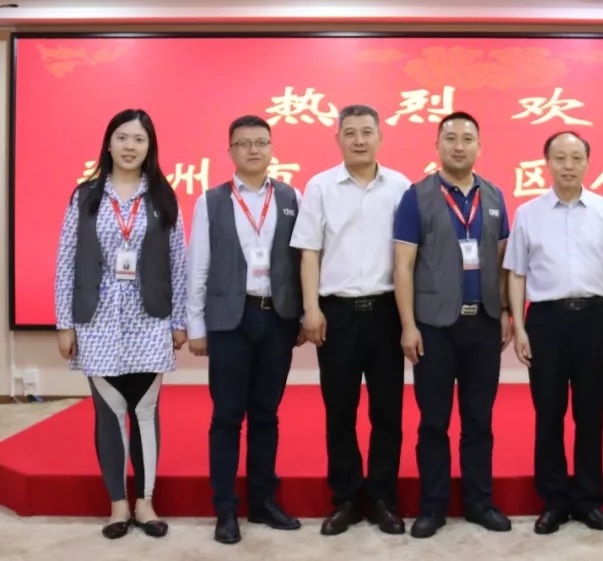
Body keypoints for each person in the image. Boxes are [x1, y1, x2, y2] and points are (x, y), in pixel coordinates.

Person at [53, 108, 188, 540]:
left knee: (145, 411)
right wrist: (64, 323)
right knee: (109, 413)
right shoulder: (86, 196)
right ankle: (117, 504)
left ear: (150, 147)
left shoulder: (163, 197)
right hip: (97, 323)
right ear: (109, 143)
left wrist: (179, 320)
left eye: (139, 139)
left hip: (149, 321)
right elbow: (66, 261)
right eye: (123, 137)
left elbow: (178, 263)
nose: (130, 146)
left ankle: (145, 502)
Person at [289, 104, 411, 535]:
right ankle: (345, 498)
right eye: (350, 133)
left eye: (367, 132)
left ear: (380, 137)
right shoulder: (320, 186)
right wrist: (311, 308)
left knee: (387, 411)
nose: (359, 140)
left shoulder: (401, 187)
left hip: (385, 313)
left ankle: (382, 498)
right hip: (336, 313)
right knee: (339, 410)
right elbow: (309, 252)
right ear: (338, 138)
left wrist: (409, 320)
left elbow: (409, 258)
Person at [393, 111, 514, 539]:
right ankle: (433, 506)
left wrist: (506, 311)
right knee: (434, 422)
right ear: (437, 145)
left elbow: (502, 261)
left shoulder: (494, 196)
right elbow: (403, 266)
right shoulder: (416, 196)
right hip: (434, 327)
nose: (459, 145)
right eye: (450, 138)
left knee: (479, 419)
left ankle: (480, 502)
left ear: (480, 146)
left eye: (467, 138)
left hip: (483, 324)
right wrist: (408, 325)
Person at [506, 130, 603, 535]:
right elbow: (516, 274)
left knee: (590, 413)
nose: (568, 165)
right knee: (549, 413)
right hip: (545, 322)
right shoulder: (528, 213)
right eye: (560, 158)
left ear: (587, 163)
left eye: (576, 158)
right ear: (547, 163)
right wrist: (519, 326)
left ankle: (588, 499)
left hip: (593, 319)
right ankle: (554, 500)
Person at [185, 115, 304, 544]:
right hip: (229, 322)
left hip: (277, 318)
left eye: (261, 142)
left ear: (272, 149)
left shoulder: (291, 197)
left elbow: (301, 261)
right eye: (244, 143)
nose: (253, 150)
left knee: (266, 414)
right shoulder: (211, 201)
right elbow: (197, 266)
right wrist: (195, 325)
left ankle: (263, 501)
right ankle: (225, 509)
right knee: (227, 416)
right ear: (230, 151)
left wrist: (303, 315)